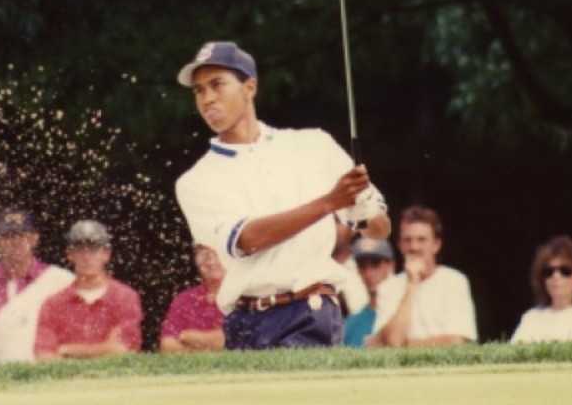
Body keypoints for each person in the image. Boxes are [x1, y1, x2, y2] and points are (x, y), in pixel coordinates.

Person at [173, 41, 390, 351]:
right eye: (199, 90)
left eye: (217, 85)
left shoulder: (314, 144)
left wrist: (359, 202)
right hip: (245, 320)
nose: (207, 98)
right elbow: (248, 240)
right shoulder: (196, 180)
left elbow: (379, 229)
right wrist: (330, 202)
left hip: (310, 310)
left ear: (249, 87)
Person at [0, 209, 73, 363]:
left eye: (22, 235)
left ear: (35, 238)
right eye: (8, 236)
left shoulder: (60, 280)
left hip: (47, 375)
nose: (15, 241)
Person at [369, 205, 477, 348]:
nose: (414, 247)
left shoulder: (454, 282)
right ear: (400, 245)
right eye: (407, 240)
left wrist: (406, 346)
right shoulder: (388, 287)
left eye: (421, 240)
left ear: (436, 245)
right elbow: (393, 342)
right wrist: (412, 284)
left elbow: (457, 341)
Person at [34, 220, 142, 360]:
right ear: (70, 254)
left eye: (93, 248)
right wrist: (104, 349)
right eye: (80, 249)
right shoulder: (53, 304)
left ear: (106, 253)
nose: (86, 257)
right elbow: (44, 356)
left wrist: (66, 350)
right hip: (69, 381)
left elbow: (123, 350)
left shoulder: (125, 297)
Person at [159, 244, 225, 354]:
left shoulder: (246, 297)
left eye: (217, 253)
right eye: (204, 254)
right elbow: (167, 344)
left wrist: (187, 336)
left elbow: (231, 342)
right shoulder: (185, 298)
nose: (211, 261)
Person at [343, 237, 396, 348]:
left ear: (391, 266)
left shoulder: (404, 311)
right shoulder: (349, 325)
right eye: (362, 266)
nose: (369, 273)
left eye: (375, 264)